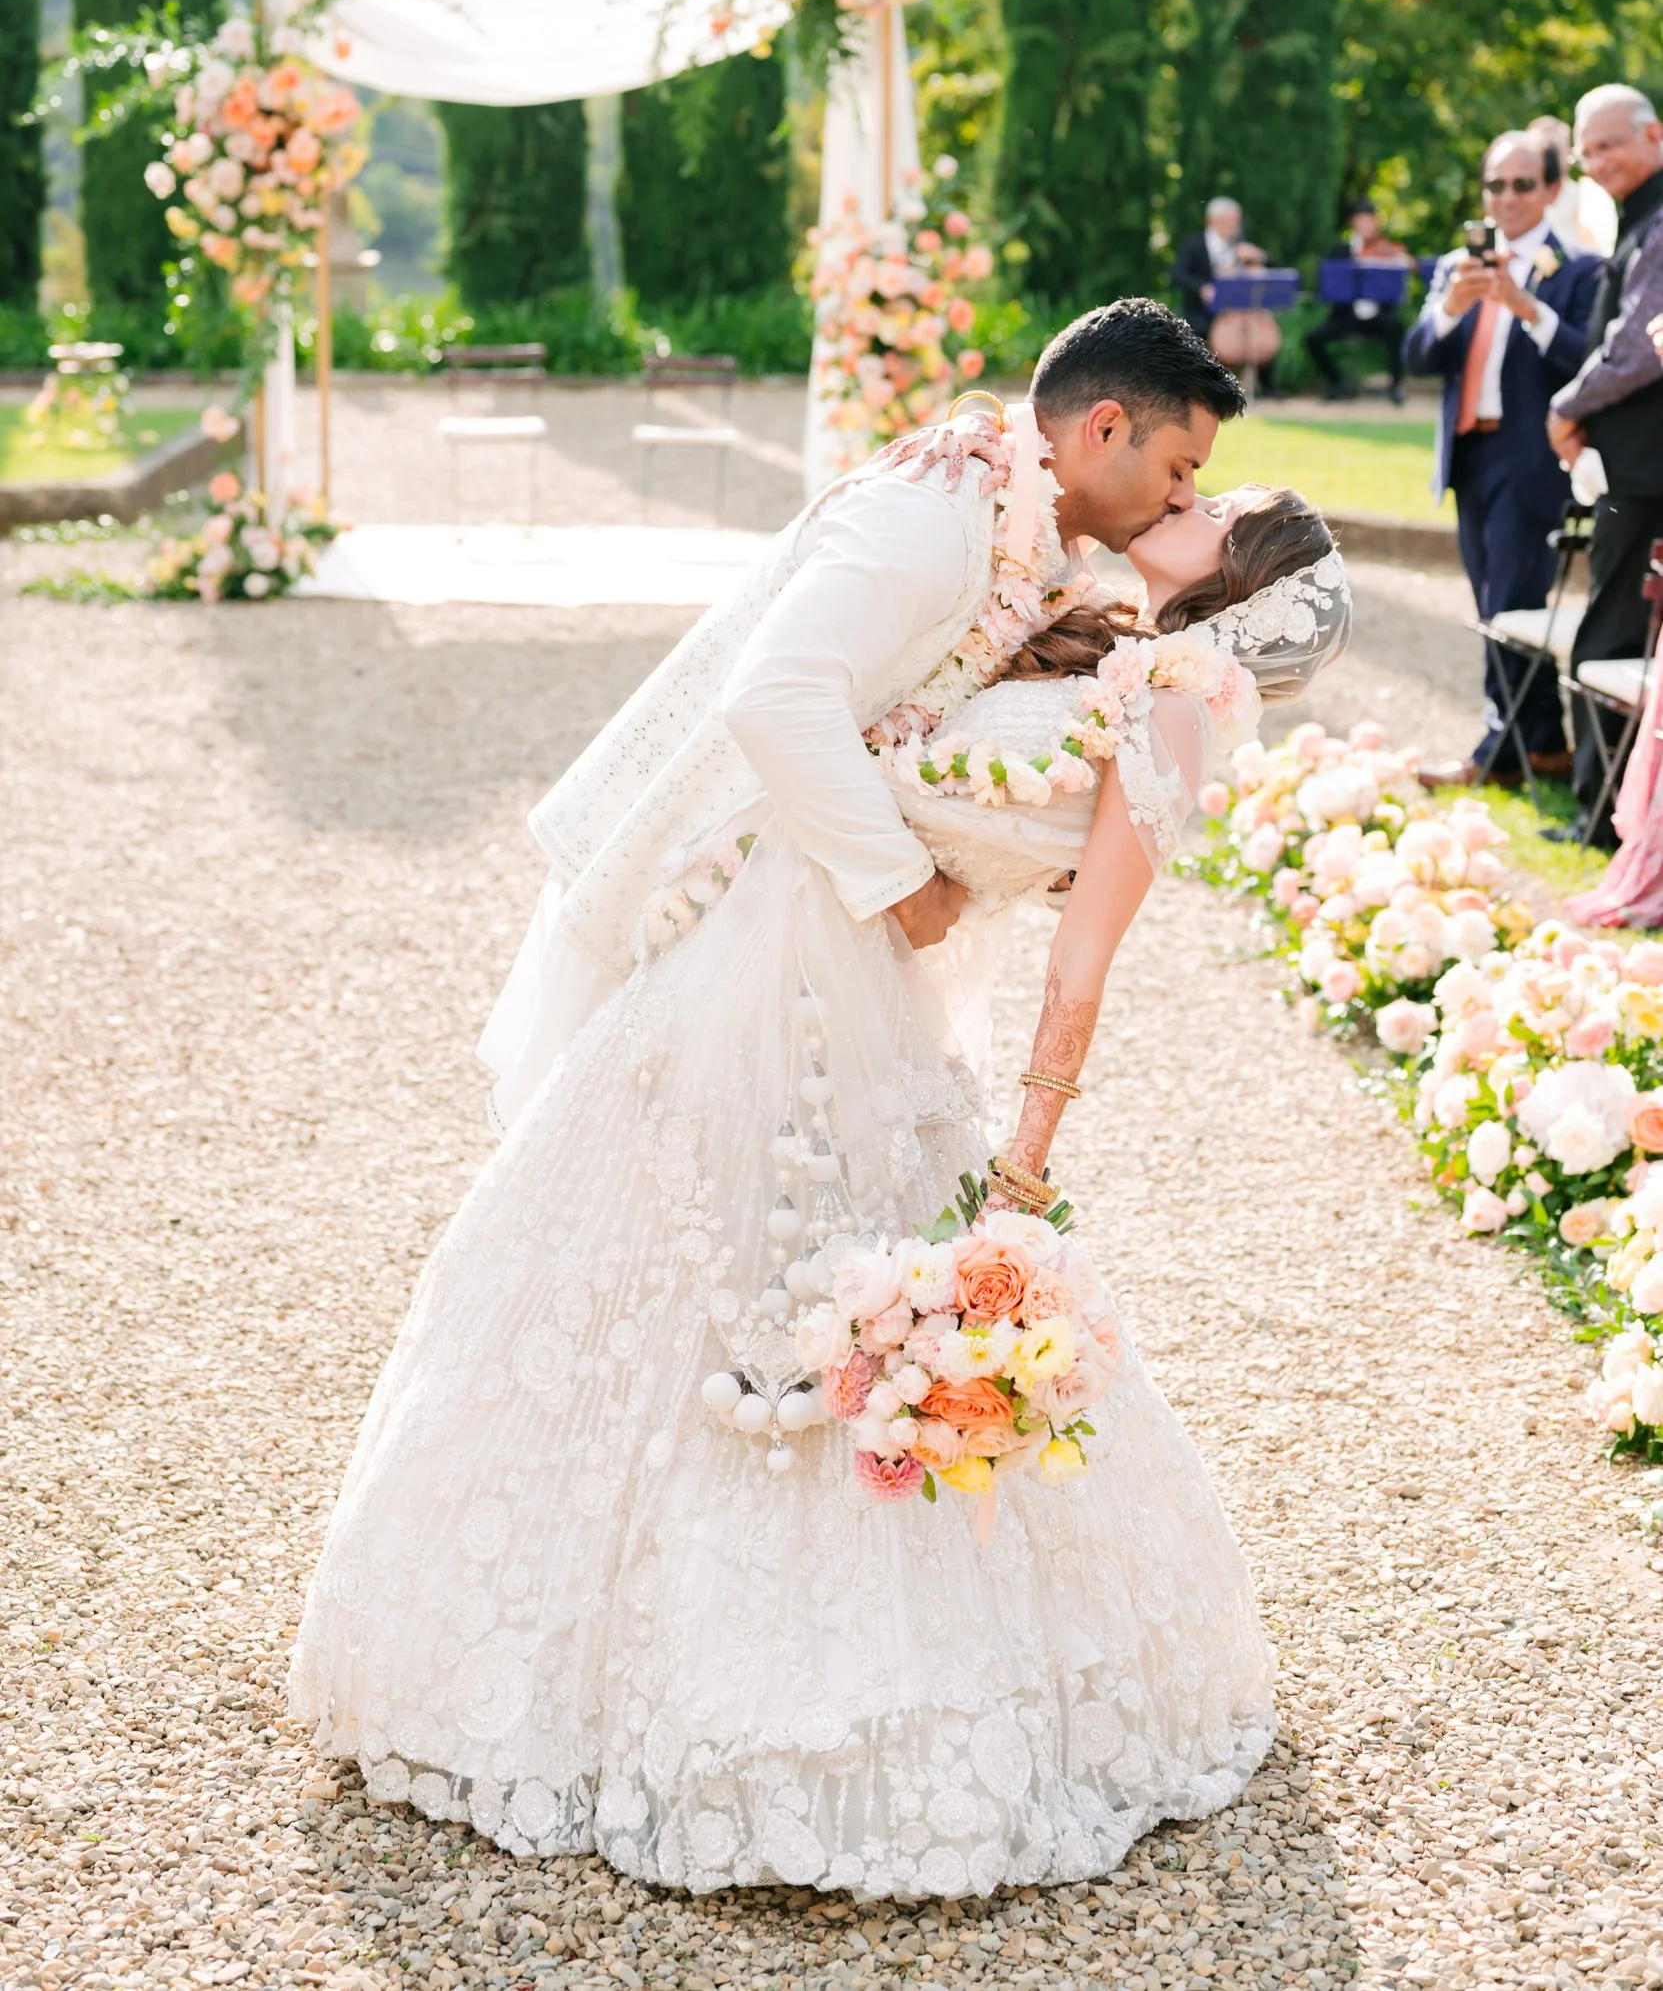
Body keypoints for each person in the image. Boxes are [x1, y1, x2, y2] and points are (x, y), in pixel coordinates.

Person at [289, 302, 1351, 1900]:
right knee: (689, 1260)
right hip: (791, 937)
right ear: (1103, 432)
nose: (1177, 498)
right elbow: (781, 695)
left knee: (805, 1279)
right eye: (1182, 467)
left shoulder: (1100, 608)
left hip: (842, 979)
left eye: (1203, 497)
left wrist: (1001, 1107)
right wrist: (900, 889)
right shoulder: (961, 514)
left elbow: (1028, 782)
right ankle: (580, 1653)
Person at [1408, 131, 1600, 788]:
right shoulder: (1455, 265)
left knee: (1506, 602)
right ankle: (1543, 741)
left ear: (1549, 190)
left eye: (1522, 184)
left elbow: (1586, 361)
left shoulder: (1575, 268)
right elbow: (1415, 358)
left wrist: (1526, 307)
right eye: (1495, 184)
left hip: (1531, 458)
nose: (1506, 197)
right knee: (1494, 599)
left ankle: (1498, 751)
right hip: (1469, 453)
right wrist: (1448, 309)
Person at [1547, 84, 1663, 833]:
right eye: (1585, 150)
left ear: (1652, 136)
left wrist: (1566, 405)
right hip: (1636, 459)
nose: (1594, 161)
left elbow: (1636, 343)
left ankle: (1598, 815)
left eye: (1606, 144)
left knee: (1610, 630)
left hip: (1642, 467)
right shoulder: (1637, 213)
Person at [1304, 199, 1414, 405]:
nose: (1365, 226)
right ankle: (1337, 383)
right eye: (1361, 221)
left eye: (1369, 221)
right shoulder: (1341, 251)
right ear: (1353, 223)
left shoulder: (1387, 249)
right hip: (1345, 316)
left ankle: (1396, 386)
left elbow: (1408, 267)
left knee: (1396, 328)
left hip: (1378, 317)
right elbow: (1330, 283)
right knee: (1313, 338)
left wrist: (1394, 259)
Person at [1170, 197, 1265, 339]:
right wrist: (1202, 287)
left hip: (1239, 313)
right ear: (1210, 220)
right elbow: (1177, 274)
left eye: (1236, 222)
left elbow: (1272, 265)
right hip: (1201, 312)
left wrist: (1259, 256)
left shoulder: (1243, 243)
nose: (1233, 227)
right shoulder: (1194, 245)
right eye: (1226, 222)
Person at [1528, 113, 1618, 258]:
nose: (1548, 160)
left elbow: (1604, 250)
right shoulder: (1513, 199)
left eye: (1554, 150)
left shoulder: (1591, 197)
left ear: (1569, 153)